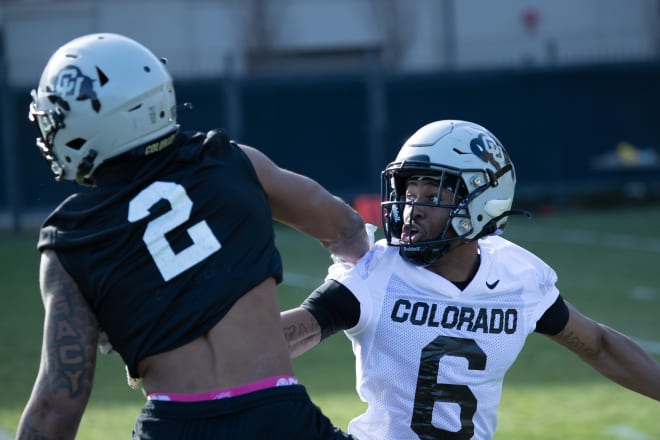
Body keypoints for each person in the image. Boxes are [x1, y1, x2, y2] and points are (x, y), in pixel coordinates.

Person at [17, 33, 370, 440]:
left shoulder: (71, 238)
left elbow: (56, 407)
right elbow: (346, 229)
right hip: (278, 418)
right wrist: (368, 271)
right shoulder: (233, 164)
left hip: (173, 426)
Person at [282, 119, 660, 439]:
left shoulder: (517, 278)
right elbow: (292, 333)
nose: (412, 210)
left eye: (431, 195)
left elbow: (600, 345)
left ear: (481, 203)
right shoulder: (378, 273)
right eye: (408, 193)